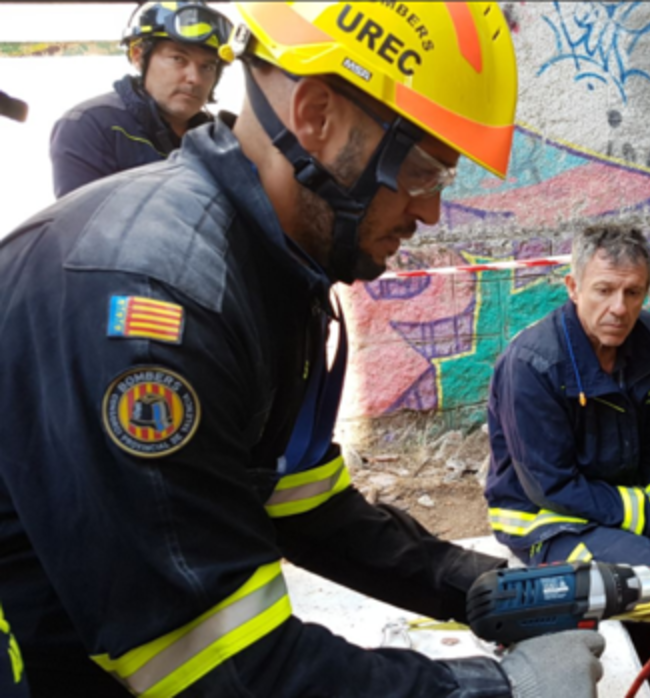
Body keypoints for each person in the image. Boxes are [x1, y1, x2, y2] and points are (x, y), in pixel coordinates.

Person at [0, 2, 605, 697]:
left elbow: (305, 503)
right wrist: (499, 690)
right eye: (419, 170)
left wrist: (480, 585)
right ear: (316, 116)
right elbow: (219, 665)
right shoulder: (153, 307)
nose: (430, 211)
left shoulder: (273, 272)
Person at [485, 226, 650, 567]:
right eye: (604, 290)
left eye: (632, 292)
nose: (619, 308)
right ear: (573, 288)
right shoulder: (533, 364)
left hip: (632, 492)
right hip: (548, 517)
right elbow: (552, 485)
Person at [49, 1, 233, 198]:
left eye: (207, 67)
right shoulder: (90, 126)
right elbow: (83, 223)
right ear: (138, 56)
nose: (195, 78)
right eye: (178, 59)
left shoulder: (224, 139)